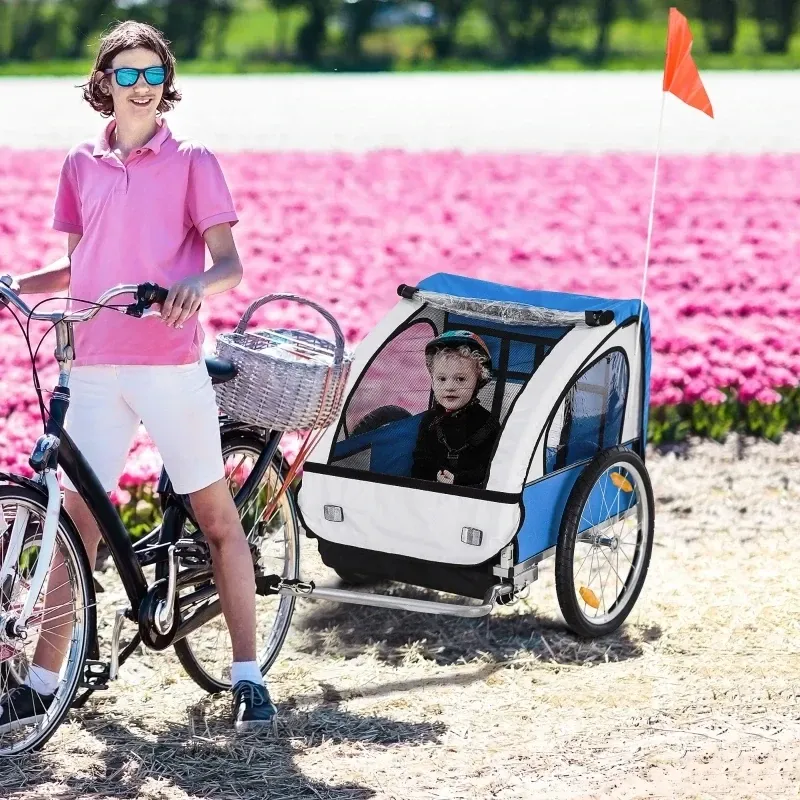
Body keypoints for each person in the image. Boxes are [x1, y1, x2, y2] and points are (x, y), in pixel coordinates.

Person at [0, 21, 276, 733]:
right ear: (104, 83)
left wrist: (194, 287)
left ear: (166, 81)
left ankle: (247, 676)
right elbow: (78, 265)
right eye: (127, 74)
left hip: (167, 362)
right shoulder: (80, 164)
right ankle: (39, 682)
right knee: (75, 523)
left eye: (153, 73)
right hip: (93, 364)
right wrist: (15, 284)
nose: (142, 85)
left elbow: (228, 264)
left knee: (216, 519)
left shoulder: (191, 160)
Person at [411, 331, 500, 487]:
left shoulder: (488, 424)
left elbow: (489, 469)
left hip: (470, 498)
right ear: (432, 381)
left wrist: (458, 479)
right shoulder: (429, 420)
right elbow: (420, 462)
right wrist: (434, 475)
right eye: (441, 379)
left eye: (460, 379)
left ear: (478, 380)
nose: (450, 387)